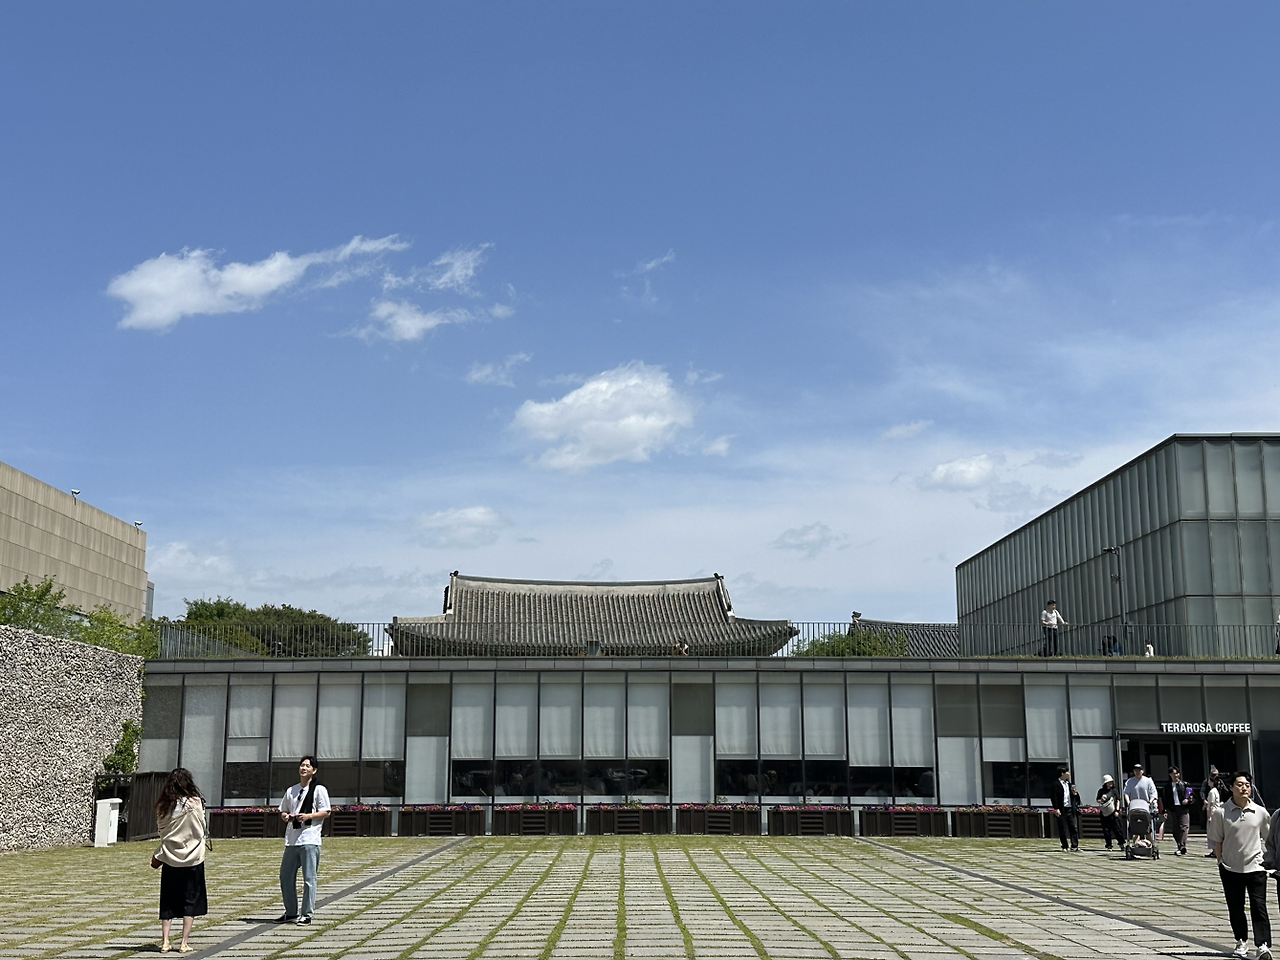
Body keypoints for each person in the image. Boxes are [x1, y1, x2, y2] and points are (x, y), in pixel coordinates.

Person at [1209, 772, 1272, 960]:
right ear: (1231, 788)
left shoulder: (1260, 812)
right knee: (1235, 908)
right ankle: (1241, 941)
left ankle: (1263, 945)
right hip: (1230, 868)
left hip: (1256, 868)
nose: (1244, 788)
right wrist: (1221, 861)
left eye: (1247, 785)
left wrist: (1269, 861)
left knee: (1259, 907)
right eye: (1239, 784)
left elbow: (1269, 839)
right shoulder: (1221, 812)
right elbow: (1217, 841)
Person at [150, 768, 208, 954]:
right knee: (190, 900)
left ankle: (165, 941)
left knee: (168, 900)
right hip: (193, 858)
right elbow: (202, 828)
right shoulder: (196, 803)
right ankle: (184, 942)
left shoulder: (163, 806)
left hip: (170, 858)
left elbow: (162, 832)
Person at [278, 756, 331, 925]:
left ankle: (307, 914)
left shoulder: (319, 789)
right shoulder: (291, 790)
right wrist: (286, 816)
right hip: (292, 840)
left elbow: (326, 811)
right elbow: (283, 810)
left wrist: (308, 816)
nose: (304, 768)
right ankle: (291, 912)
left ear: (314, 771)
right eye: (302, 765)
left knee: (309, 878)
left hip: (310, 838)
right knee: (286, 876)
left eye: (308, 766)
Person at [1162, 766, 1195, 856]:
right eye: (1173, 774)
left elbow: (1192, 796)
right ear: (1170, 775)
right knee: (1175, 829)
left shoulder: (1185, 785)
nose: (1176, 775)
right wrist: (1165, 811)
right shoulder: (1168, 787)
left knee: (1184, 827)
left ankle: (1182, 846)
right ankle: (1180, 845)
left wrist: (1188, 800)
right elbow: (1165, 799)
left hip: (1183, 808)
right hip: (1173, 809)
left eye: (1177, 773)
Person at [1051, 764, 1081, 851]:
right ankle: (1064, 846)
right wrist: (1056, 808)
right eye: (1067, 772)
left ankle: (1074, 846)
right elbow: (1054, 797)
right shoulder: (1056, 784)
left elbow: (1075, 798)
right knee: (1063, 828)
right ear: (1062, 773)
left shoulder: (1069, 784)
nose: (1069, 773)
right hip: (1062, 808)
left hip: (1070, 808)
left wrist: (1075, 794)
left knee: (1073, 828)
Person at [1097, 774, 1125, 851]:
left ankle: (1121, 843)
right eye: (1108, 782)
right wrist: (1101, 799)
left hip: (1113, 812)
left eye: (1111, 782)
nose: (1110, 784)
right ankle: (1109, 845)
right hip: (1105, 812)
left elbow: (1118, 800)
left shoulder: (1114, 790)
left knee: (1117, 829)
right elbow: (1098, 800)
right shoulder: (1101, 791)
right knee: (1106, 830)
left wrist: (1117, 810)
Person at [1207, 775, 1226, 856]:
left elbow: (1212, 804)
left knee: (1212, 832)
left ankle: (1214, 851)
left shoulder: (1212, 792)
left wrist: (1210, 816)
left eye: (1209, 781)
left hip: (1213, 813)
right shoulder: (1216, 791)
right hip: (1216, 812)